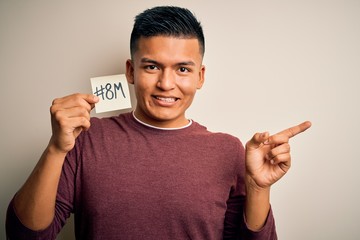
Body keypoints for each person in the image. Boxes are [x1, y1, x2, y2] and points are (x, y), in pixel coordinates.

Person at [6, 6, 311, 240]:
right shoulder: (85, 137)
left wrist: (258, 187)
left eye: (182, 69)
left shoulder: (228, 150)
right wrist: (56, 148)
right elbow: (26, 236)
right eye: (152, 66)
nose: (166, 83)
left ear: (200, 77)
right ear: (131, 71)